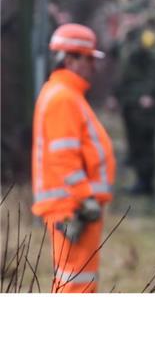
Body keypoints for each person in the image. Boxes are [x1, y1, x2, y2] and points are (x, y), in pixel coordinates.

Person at [31, 23, 117, 293]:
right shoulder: (63, 98)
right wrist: (84, 198)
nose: (93, 65)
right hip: (74, 208)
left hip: (73, 206)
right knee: (76, 284)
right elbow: (64, 157)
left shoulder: (66, 95)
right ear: (69, 59)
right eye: (89, 58)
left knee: (73, 281)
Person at [110, 2, 155, 195]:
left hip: (144, 99)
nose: (128, 20)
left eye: (132, 17)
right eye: (126, 17)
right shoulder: (126, 38)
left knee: (145, 140)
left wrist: (149, 94)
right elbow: (116, 64)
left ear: (139, 18)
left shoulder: (148, 38)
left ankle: (146, 182)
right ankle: (140, 178)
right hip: (129, 98)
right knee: (133, 139)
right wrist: (115, 95)